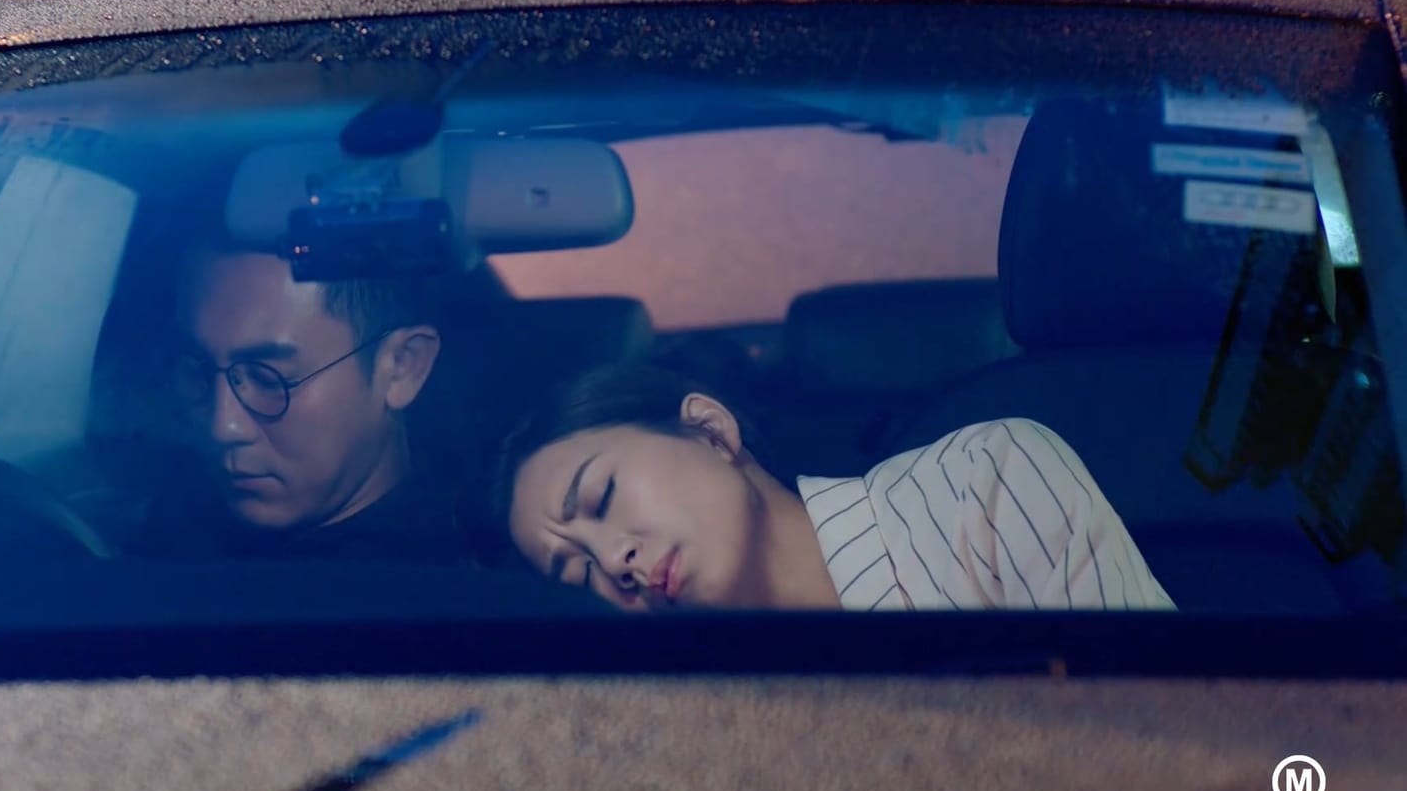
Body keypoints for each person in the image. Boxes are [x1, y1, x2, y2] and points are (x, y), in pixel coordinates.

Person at [493, 363, 1177, 611]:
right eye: (578, 573)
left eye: (601, 498)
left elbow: (1159, 747)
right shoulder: (687, 720)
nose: (614, 562)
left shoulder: (984, 483)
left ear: (709, 430)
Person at [140, 243, 457, 561]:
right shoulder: (171, 534)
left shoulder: (430, 581)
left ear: (402, 366)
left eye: (269, 379)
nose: (223, 428)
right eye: (198, 370)